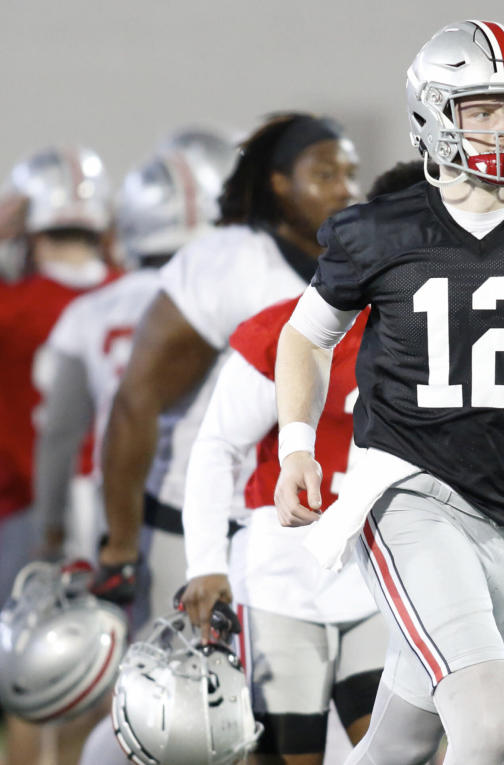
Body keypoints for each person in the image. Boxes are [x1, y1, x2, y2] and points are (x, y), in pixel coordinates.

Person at [274, 20, 504, 765]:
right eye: (482, 110)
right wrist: (295, 445)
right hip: (408, 491)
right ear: (432, 112)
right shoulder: (380, 229)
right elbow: (304, 336)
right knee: (488, 721)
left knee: (404, 737)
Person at [177, 164, 425, 765]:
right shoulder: (300, 326)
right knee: (293, 755)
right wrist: (207, 563)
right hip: (287, 574)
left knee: (401, 750)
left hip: (384, 572)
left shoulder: (454, 339)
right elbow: (218, 446)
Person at [91, 112, 359, 622]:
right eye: (326, 174)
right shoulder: (229, 264)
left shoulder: (360, 263)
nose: (346, 189)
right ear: (278, 183)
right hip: (203, 523)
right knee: (186, 695)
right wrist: (121, 547)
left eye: (350, 173)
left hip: (316, 527)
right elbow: (137, 400)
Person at [33, 133, 235, 565]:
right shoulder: (234, 296)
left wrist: (51, 526)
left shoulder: (91, 310)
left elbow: (61, 434)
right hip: (228, 501)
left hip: (121, 498)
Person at [0, 144, 119, 765]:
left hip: (27, 506)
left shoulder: (11, 306)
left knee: (30, 679)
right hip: (120, 509)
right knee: (114, 674)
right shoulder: (138, 293)